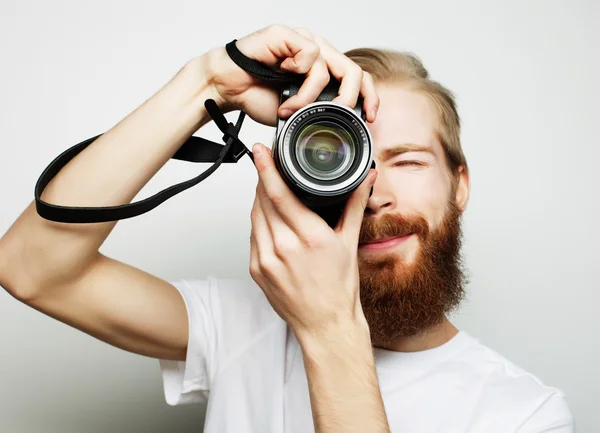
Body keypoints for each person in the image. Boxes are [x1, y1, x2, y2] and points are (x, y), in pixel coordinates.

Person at [0, 24, 574, 433]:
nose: (374, 191)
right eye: (348, 159)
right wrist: (206, 84)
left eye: (408, 160)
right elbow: (31, 269)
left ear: (461, 184)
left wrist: (329, 329)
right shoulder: (240, 325)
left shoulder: (524, 414)